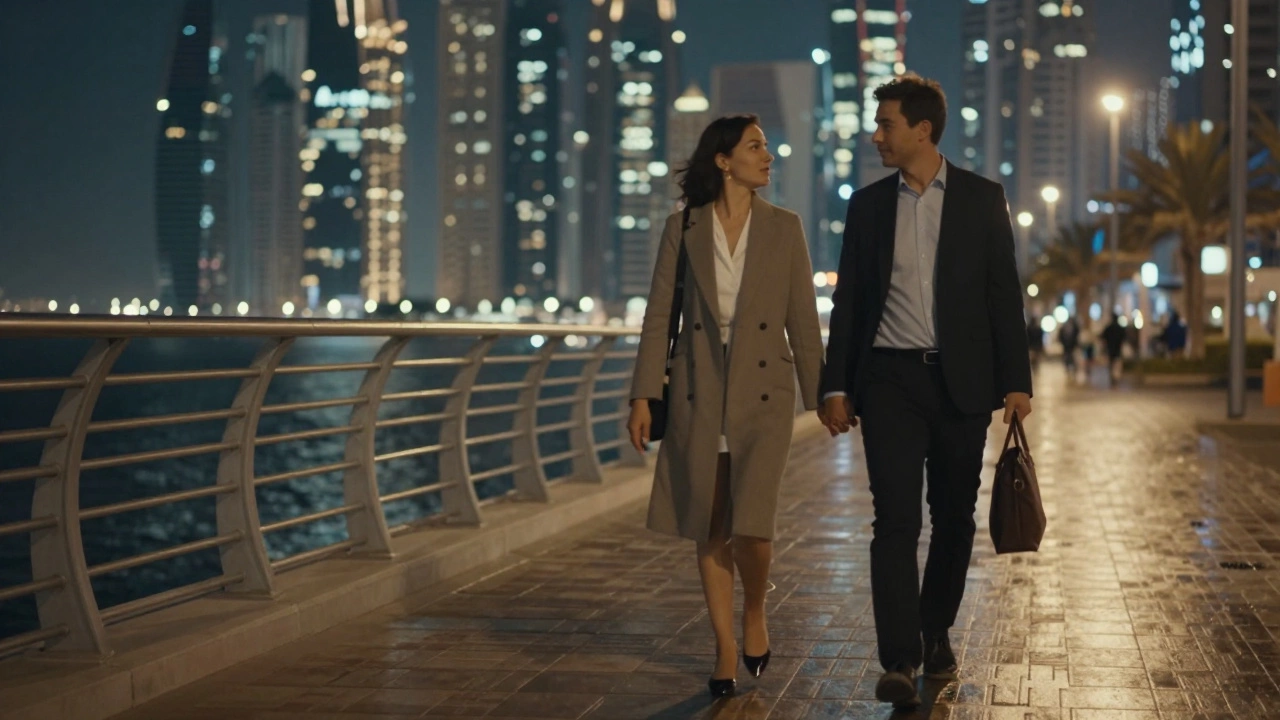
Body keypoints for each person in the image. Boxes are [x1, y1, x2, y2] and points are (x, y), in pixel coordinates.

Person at [818, 75, 1033, 711]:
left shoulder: (980, 198)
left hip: (962, 382)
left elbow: (1003, 294)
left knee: (954, 519)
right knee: (895, 520)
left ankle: (934, 626)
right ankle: (899, 656)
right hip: (888, 381)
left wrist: (1016, 381)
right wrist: (836, 383)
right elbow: (850, 300)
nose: (876, 134)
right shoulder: (868, 204)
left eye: (885, 124)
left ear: (923, 130)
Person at [626, 114, 824, 698]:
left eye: (766, 146)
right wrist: (644, 395)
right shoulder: (682, 227)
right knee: (710, 524)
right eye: (756, 147)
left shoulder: (785, 227)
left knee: (753, 526)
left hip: (765, 392)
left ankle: (756, 608)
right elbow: (659, 314)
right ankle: (723, 646)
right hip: (698, 389)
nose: (768, 156)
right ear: (723, 159)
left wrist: (825, 397)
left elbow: (803, 322)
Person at [1102, 314, 1127, 386]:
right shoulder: (1120, 328)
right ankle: (1116, 378)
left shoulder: (1109, 327)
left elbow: (1103, 336)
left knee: (1111, 363)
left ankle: (1113, 378)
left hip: (1111, 349)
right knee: (1117, 364)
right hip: (1118, 349)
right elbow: (1124, 338)